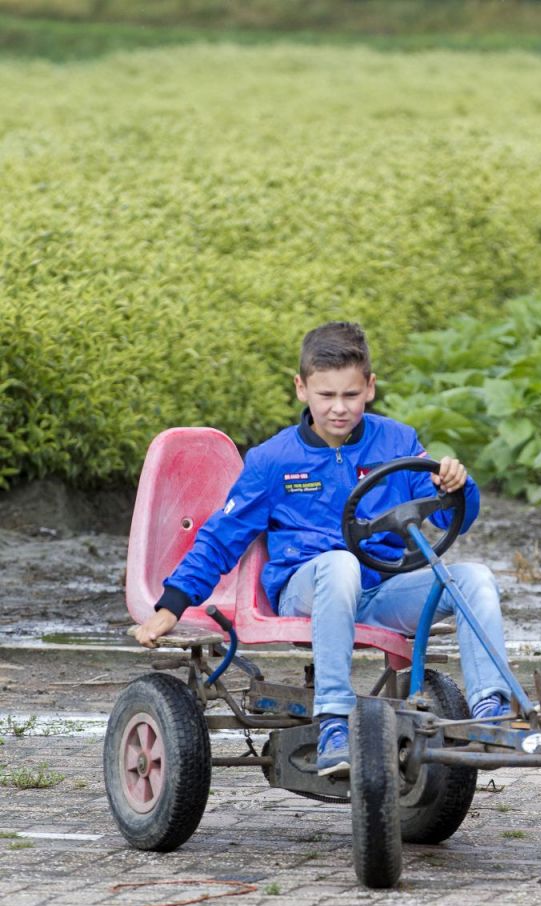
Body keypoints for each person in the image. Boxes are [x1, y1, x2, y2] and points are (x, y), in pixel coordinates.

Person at [135, 321, 513, 776]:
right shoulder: (273, 460)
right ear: (301, 388)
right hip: (307, 589)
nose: (339, 408)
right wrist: (172, 605)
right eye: (326, 396)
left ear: (370, 388)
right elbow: (221, 537)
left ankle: (490, 709)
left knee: (474, 578)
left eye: (350, 396)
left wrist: (457, 486)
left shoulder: (396, 442)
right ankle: (334, 720)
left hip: (379, 589)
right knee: (338, 565)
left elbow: (452, 519)